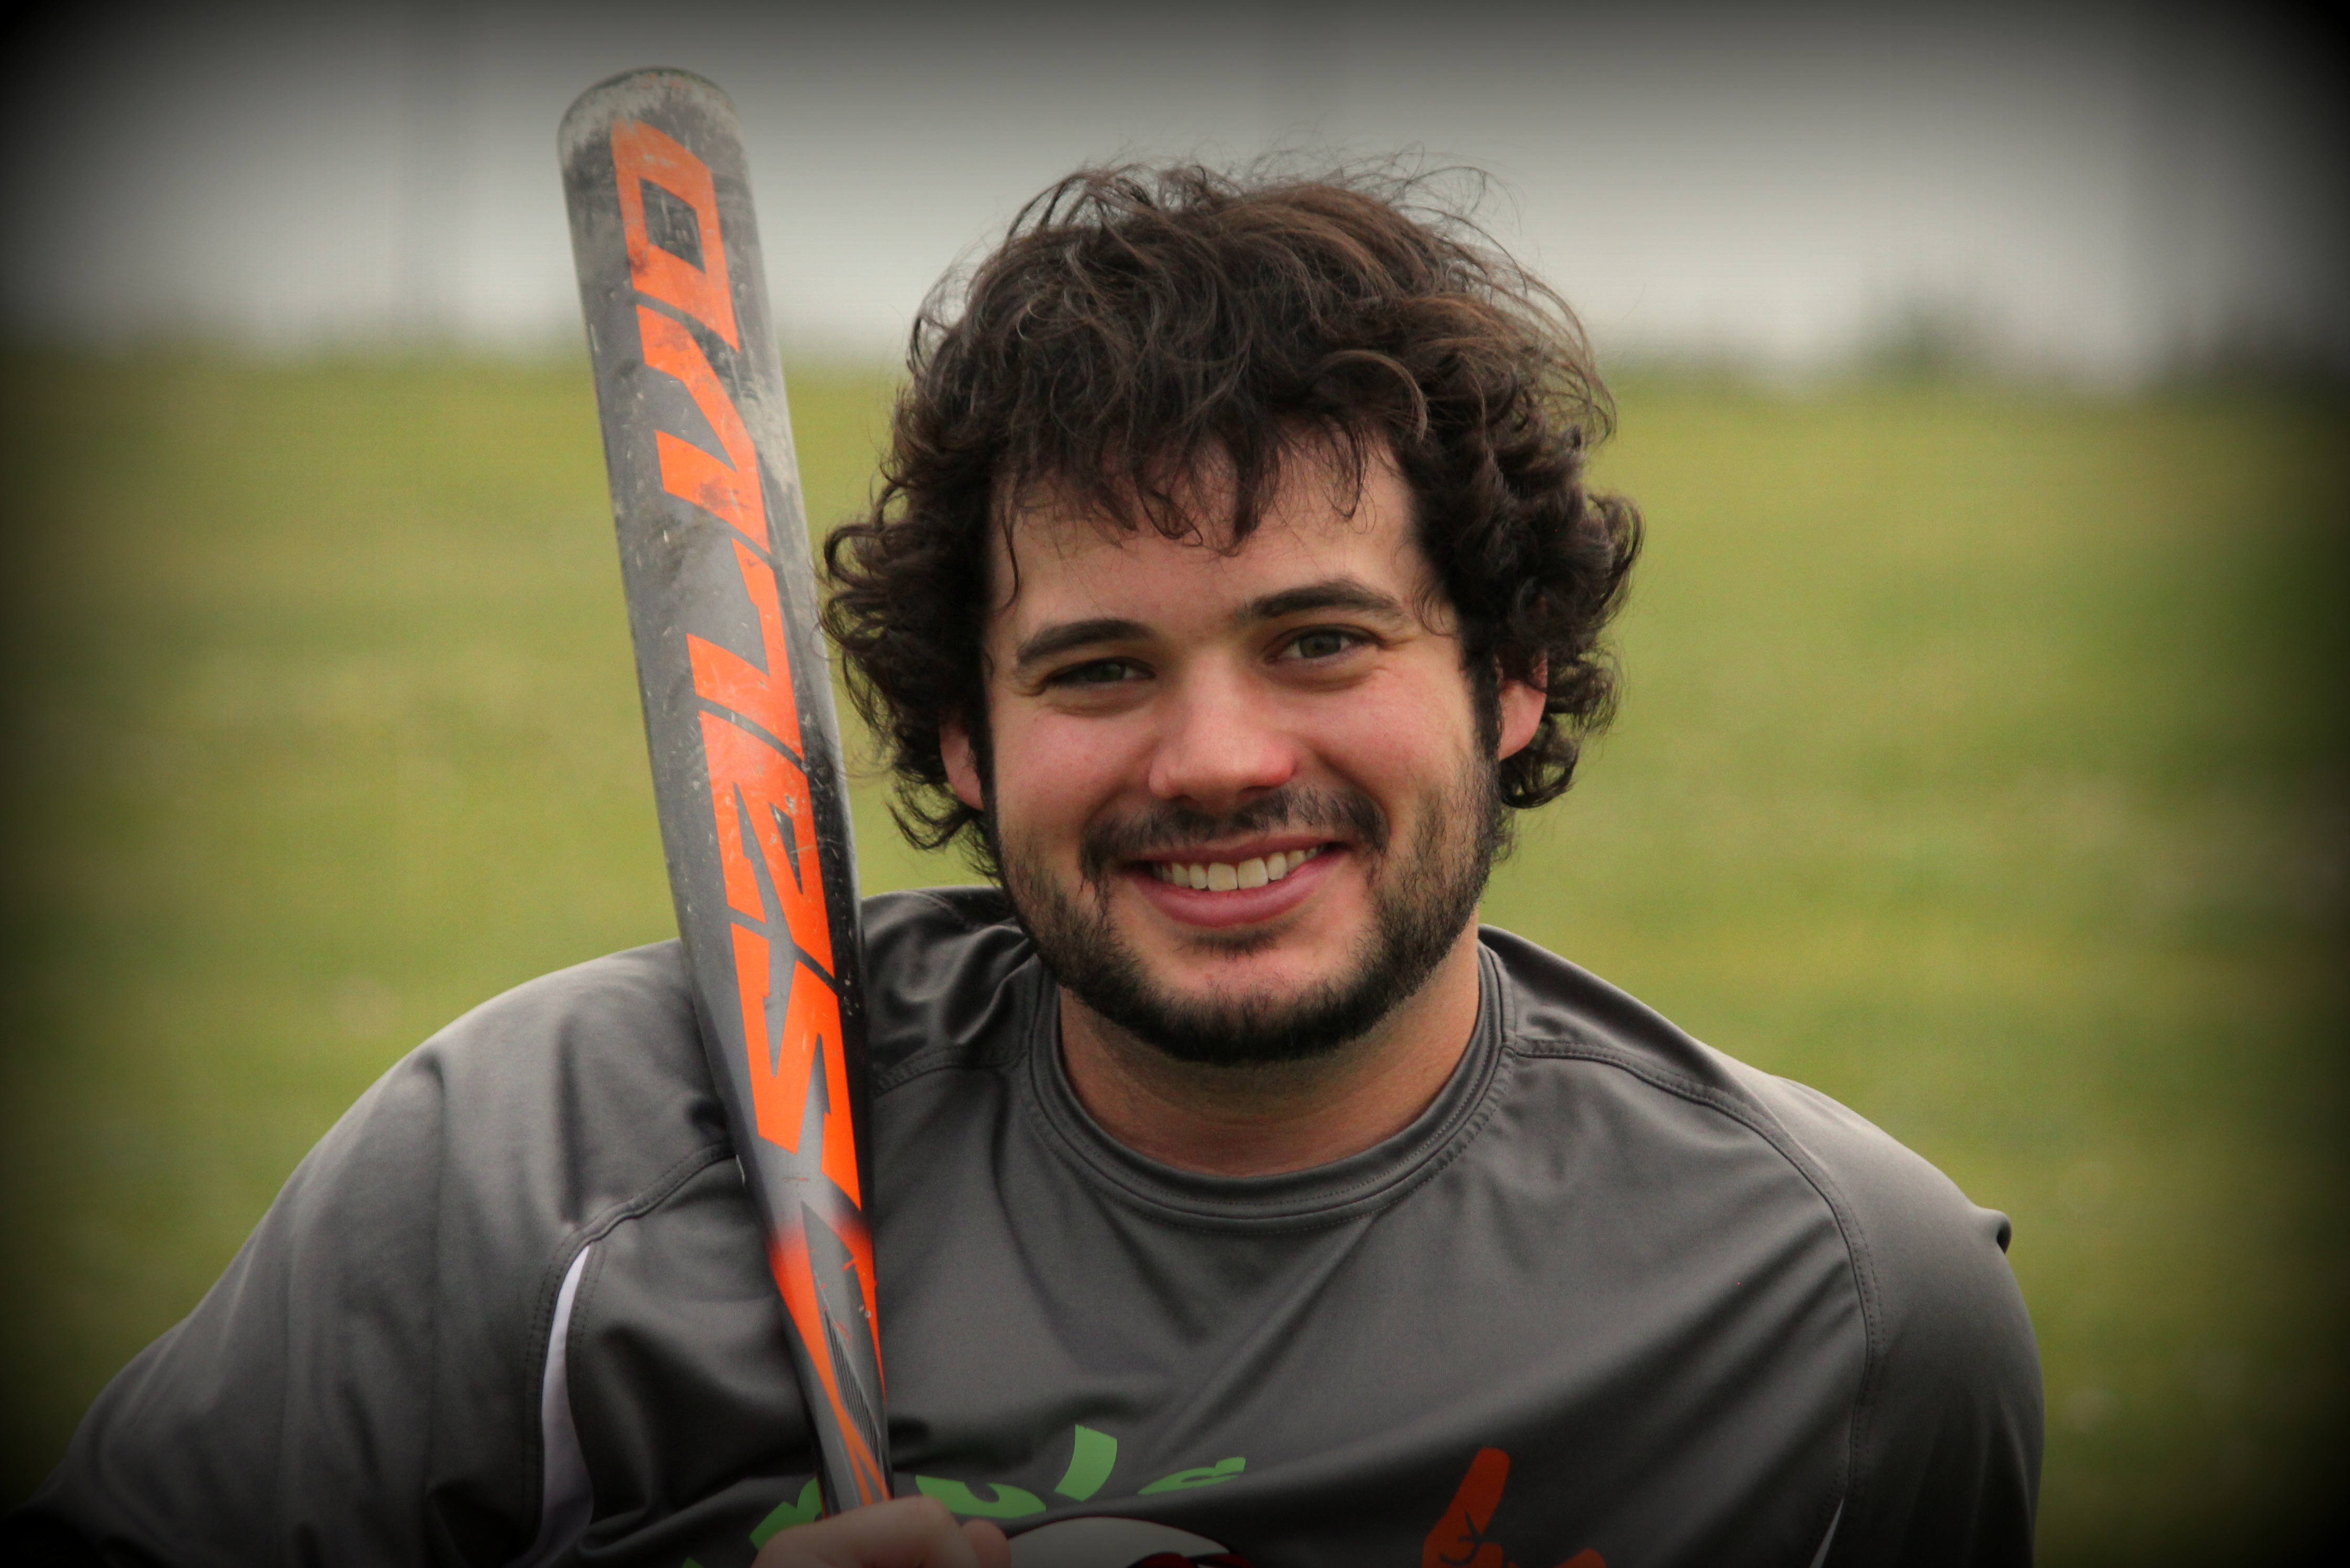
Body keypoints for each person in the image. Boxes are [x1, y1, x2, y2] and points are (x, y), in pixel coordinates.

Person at [8, 165, 2041, 1568]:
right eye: (1098, 668)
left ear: (1507, 679)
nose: (1217, 758)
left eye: (1321, 641)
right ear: (966, 744)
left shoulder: (1839, 1322)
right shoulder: (548, 1180)